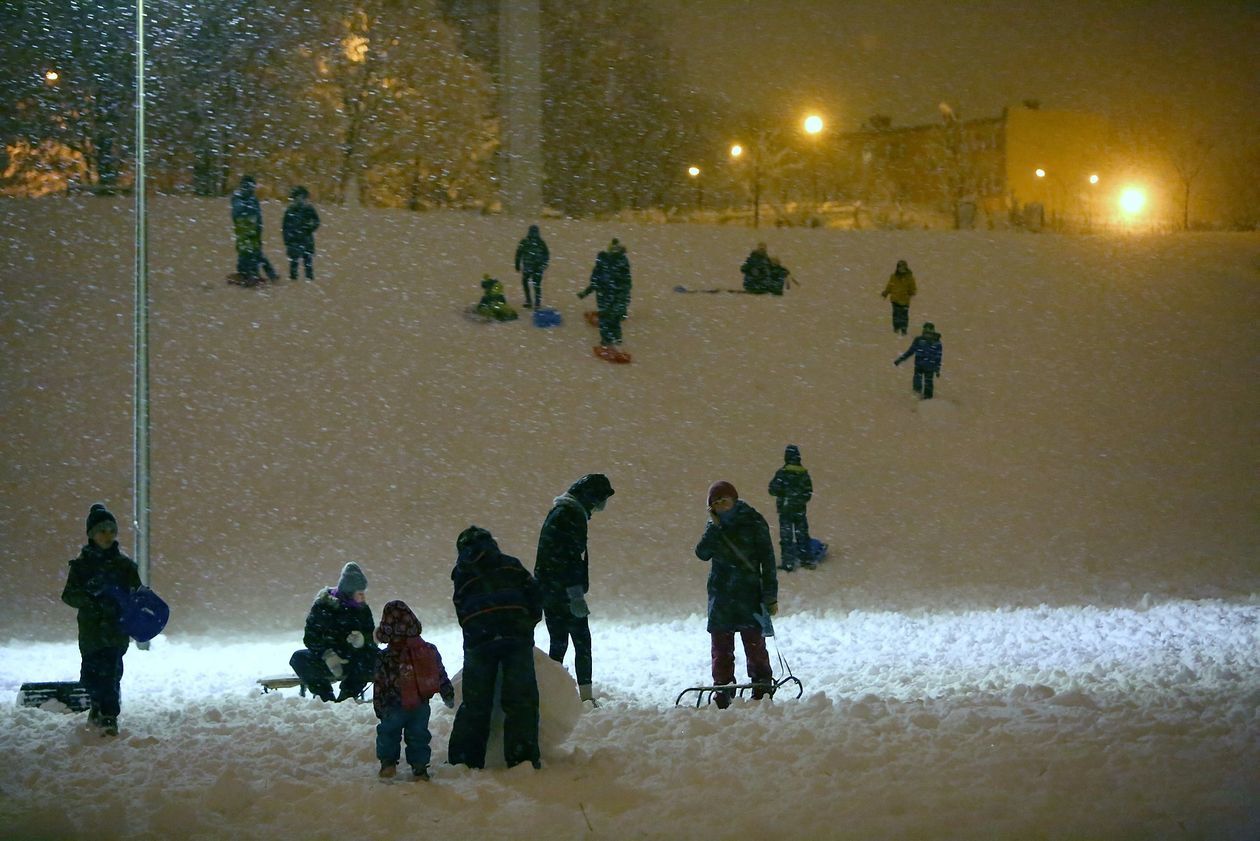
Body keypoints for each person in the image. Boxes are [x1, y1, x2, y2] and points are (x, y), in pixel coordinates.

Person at [448, 526, 543, 769]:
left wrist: (477, 631)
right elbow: (534, 594)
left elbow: (461, 609)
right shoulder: (511, 564)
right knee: (521, 699)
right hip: (515, 635)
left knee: (475, 702)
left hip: (479, 640)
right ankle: (521, 758)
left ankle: (465, 760)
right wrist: (526, 623)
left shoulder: (462, 574)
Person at [694, 481, 778, 709]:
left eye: (725, 501)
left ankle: (762, 686)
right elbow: (701, 553)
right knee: (720, 648)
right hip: (721, 597)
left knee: (755, 645)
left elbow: (768, 561)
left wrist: (770, 595)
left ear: (734, 500)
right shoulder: (715, 528)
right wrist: (714, 529)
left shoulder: (753, 521)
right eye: (716, 503)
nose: (722, 506)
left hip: (749, 594)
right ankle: (723, 689)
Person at [61, 502, 142, 736]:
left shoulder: (124, 566)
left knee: (111, 674)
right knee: (91, 674)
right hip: (91, 632)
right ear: (91, 534)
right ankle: (97, 707)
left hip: (115, 631)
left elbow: (136, 595)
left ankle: (108, 715)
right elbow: (69, 595)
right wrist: (89, 595)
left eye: (111, 530)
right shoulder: (81, 566)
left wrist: (123, 601)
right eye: (102, 531)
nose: (107, 535)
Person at [534, 473, 615, 706]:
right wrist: (575, 594)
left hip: (550, 592)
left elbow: (553, 557)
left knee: (558, 642)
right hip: (563, 592)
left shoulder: (562, 512)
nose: (601, 506)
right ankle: (585, 698)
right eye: (600, 499)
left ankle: (552, 693)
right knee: (581, 642)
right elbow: (569, 558)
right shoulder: (571, 516)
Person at [372, 599, 455, 781]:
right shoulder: (427, 650)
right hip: (420, 703)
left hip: (393, 704)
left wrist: (379, 706)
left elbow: (380, 683)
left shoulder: (385, 656)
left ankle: (388, 763)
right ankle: (419, 767)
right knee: (418, 735)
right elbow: (439, 672)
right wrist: (446, 691)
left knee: (388, 733)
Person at [288, 562, 379, 702]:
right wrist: (326, 654)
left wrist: (363, 640)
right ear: (349, 592)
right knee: (298, 658)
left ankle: (347, 697)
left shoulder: (363, 609)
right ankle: (325, 698)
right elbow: (311, 638)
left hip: (354, 660)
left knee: (378, 658)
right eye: (360, 593)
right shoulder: (323, 606)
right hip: (326, 661)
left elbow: (371, 638)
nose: (363, 597)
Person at [768, 445, 814, 571]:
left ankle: (788, 563)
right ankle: (806, 559)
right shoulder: (804, 474)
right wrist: (800, 500)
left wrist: (784, 495)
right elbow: (809, 492)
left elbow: (772, 489)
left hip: (785, 510)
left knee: (786, 537)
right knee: (802, 534)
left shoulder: (782, 473)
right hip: (799, 510)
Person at [578, 238, 631, 346]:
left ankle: (609, 340)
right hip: (611, 296)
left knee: (608, 319)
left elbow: (596, 281)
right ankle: (614, 339)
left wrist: (586, 292)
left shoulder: (610, 265)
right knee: (612, 318)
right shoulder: (620, 263)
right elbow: (626, 282)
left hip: (608, 296)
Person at [230, 175, 278, 283]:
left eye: (252, 187)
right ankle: (249, 276)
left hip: (254, 233)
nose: (250, 189)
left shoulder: (252, 199)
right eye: (247, 187)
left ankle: (264, 276)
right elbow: (238, 215)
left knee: (257, 254)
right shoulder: (238, 200)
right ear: (242, 187)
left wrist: (258, 228)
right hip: (245, 234)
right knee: (247, 254)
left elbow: (257, 217)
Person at [894, 321, 944, 399]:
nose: (927, 334)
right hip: (919, 366)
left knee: (928, 383)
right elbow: (910, 351)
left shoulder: (937, 343)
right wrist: (900, 359)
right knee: (917, 383)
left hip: (930, 367)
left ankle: (927, 399)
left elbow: (938, 357)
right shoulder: (918, 340)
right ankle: (917, 396)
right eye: (926, 332)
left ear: (933, 332)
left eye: (929, 332)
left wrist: (937, 369)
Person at [282, 186, 321, 281]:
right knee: (294, 264)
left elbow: (317, 221)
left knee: (308, 264)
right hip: (294, 241)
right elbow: (285, 228)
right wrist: (288, 241)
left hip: (306, 240)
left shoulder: (309, 208)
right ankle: (294, 281)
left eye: (302, 197)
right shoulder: (290, 210)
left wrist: (310, 228)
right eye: (298, 197)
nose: (300, 199)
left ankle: (309, 281)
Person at [514, 224, 550, 309]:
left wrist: (517, 264)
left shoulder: (525, 241)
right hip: (536, 267)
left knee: (527, 283)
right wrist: (544, 264)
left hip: (528, 267)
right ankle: (536, 302)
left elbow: (518, 254)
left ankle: (529, 301)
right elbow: (546, 255)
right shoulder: (541, 242)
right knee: (536, 285)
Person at [880, 259, 916, 334]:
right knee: (896, 315)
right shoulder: (893, 277)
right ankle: (896, 328)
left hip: (905, 300)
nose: (901, 269)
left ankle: (904, 329)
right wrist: (886, 293)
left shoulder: (909, 278)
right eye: (899, 267)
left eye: (902, 267)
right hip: (895, 299)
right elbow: (890, 286)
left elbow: (912, 288)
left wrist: (911, 292)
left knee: (904, 315)